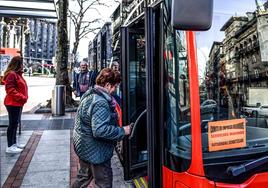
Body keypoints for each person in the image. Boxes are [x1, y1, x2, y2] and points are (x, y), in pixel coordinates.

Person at [72, 68, 132, 188]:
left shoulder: (90, 93)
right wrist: (122, 131)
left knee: (83, 177)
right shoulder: (101, 102)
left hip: (83, 145)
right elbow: (100, 130)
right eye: (115, 86)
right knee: (104, 183)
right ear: (108, 85)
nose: (115, 90)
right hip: (96, 150)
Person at [2, 56, 28, 154]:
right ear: (17, 64)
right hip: (13, 103)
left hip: (17, 103)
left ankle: (14, 143)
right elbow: (10, 89)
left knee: (15, 123)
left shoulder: (17, 74)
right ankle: (10, 146)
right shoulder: (12, 75)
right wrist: (21, 97)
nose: (23, 65)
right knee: (12, 124)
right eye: (21, 63)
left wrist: (22, 98)